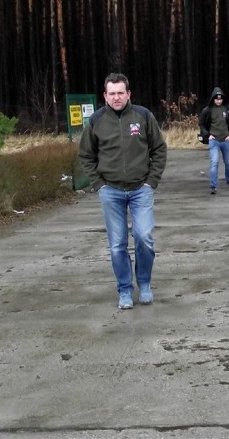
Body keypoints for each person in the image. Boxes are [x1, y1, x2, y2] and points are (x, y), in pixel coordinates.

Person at [78, 73, 168, 310]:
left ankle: (145, 284)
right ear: (105, 96)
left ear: (128, 94)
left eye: (120, 92)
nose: (116, 97)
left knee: (144, 238)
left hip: (141, 189)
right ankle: (125, 290)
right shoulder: (96, 121)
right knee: (117, 244)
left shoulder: (144, 116)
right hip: (111, 191)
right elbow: (86, 155)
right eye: (112, 93)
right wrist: (99, 184)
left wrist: (151, 181)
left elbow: (159, 149)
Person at [198, 87, 229, 194]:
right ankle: (213, 186)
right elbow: (201, 124)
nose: (219, 101)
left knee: (228, 162)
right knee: (214, 162)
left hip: (226, 140)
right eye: (216, 99)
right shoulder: (207, 110)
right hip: (214, 140)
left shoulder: (228, 108)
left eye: (220, 99)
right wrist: (207, 135)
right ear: (213, 99)